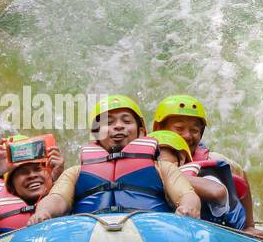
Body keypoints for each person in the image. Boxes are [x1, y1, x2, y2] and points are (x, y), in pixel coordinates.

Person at [29, 95, 198, 223]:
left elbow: (186, 194)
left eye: (126, 121)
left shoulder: (163, 168)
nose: (118, 126)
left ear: (141, 131)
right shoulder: (75, 172)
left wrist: (188, 207)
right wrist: (44, 212)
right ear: (96, 134)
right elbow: (58, 198)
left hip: (150, 230)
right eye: (108, 122)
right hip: (88, 233)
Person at [151, 94, 254, 228]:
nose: (187, 136)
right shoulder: (143, 157)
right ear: (159, 128)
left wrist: (249, 226)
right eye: (179, 128)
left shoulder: (214, 160)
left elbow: (242, 178)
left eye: (194, 130)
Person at [0, 136, 63, 240]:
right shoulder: (2, 217)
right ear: (12, 187)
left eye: (38, 169)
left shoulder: (66, 190)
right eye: (23, 172)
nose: (32, 175)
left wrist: (59, 178)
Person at [151, 129, 243, 228]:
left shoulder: (199, 174)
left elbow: (218, 192)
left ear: (181, 159)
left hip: (212, 231)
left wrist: (171, 175)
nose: (154, 165)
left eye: (159, 160)